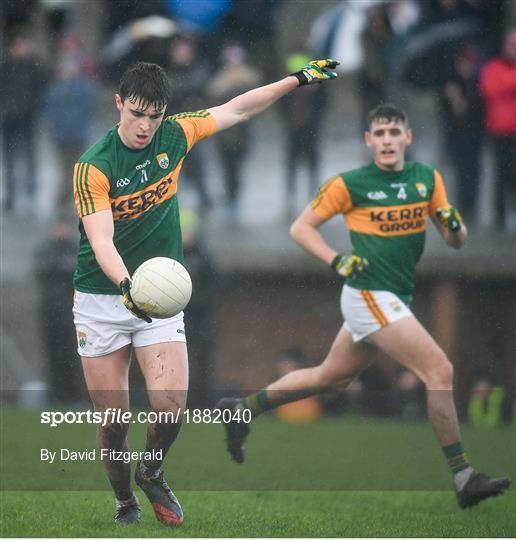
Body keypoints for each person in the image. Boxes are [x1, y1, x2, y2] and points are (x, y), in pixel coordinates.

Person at [71, 59, 338, 526]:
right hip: (103, 298)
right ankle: (123, 502)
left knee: (172, 407)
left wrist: (296, 79)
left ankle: (151, 473)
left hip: (157, 296)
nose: (145, 126)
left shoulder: (176, 134)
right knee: (114, 424)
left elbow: (238, 109)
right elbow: (101, 241)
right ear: (119, 104)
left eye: (154, 116)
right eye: (136, 113)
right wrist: (126, 284)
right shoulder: (93, 165)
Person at [217, 104, 510, 510]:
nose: (388, 140)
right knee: (438, 369)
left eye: (395, 132)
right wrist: (337, 260)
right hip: (369, 293)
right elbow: (300, 228)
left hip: (392, 297)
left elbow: (455, 239)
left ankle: (242, 409)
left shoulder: (427, 180)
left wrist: (454, 223)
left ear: (408, 138)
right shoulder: (350, 183)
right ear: (368, 141)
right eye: (380, 133)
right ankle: (464, 476)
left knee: (330, 379)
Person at [479, 28, 516, 230]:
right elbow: (491, 88)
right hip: (500, 132)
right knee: (501, 174)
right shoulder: (493, 66)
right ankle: (499, 215)